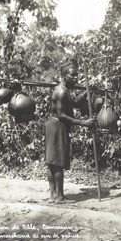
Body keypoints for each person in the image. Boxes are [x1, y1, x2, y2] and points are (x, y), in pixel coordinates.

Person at [44, 61, 95, 204]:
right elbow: (61, 115)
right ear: (64, 76)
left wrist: (87, 93)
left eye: (77, 75)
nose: (76, 78)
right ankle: (59, 197)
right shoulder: (61, 91)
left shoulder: (64, 90)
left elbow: (75, 104)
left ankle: (53, 196)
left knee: (52, 161)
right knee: (56, 161)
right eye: (72, 75)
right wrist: (83, 123)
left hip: (53, 125)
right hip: (57, 125)